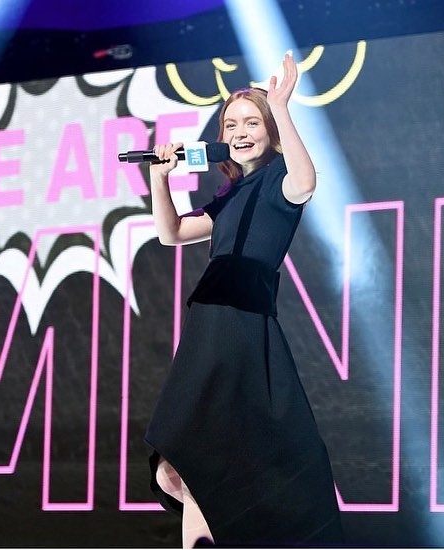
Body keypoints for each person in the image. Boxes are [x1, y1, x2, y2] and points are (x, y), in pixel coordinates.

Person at [144, 52, 343, 548]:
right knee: (181, 464)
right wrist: (158, 177)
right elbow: (171, 234)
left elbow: (306, 181)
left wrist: (281, 105)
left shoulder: (279, 179)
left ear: (270, 130)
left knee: (215, 449)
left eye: (252, 121)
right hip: (207, 322)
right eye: (231, 123)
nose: (239, 130)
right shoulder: (230, 194)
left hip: (241, 321)